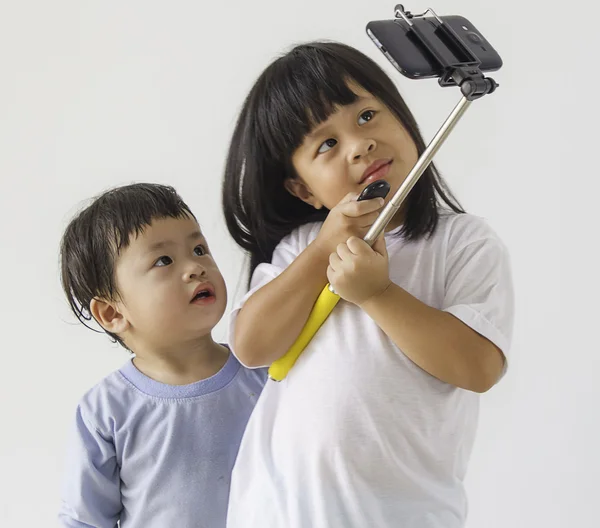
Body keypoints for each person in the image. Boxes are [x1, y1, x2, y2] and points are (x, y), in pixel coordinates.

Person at [222, 42, 514, 527]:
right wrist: (322, 251)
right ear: (303, 190)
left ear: (402, 118)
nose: (360, 144)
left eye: (367, 116)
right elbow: (251, 347)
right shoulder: (301, 248)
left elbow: (479, 367)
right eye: (326, 144)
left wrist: (378, 295)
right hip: (281, 514)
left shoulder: (465, 243)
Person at [58, 183, 266, 528]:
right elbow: (84, 520)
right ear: (112, 314)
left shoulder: (264, 371)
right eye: (164, 260)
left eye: (199, 249)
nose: (195, 267)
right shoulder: (107, 411)